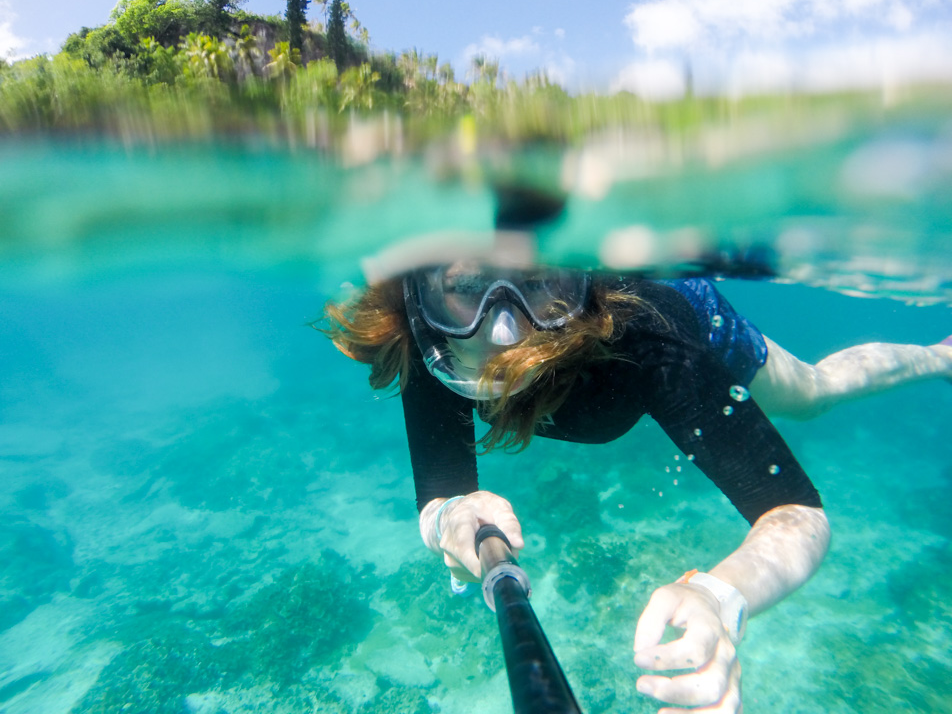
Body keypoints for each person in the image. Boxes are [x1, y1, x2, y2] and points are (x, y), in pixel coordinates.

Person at [319, 220, 952, 713]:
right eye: (462, 287)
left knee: (809, 394)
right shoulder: (429, 339)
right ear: (416, 292)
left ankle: (939, 355)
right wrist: (449, 518)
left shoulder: (647, 342)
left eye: (540, 282)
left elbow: (796, 511)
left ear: (580, 278)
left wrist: (721, 595)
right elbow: (440, 496)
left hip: (689, 308)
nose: (507, 334)